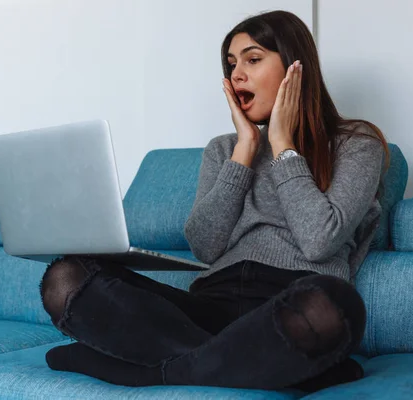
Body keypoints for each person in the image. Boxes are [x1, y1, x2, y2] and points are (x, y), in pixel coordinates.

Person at [39, 9, 390, 393]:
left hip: (287, 304)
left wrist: (283, 146)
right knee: (67, 279)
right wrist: (245, 151)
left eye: (253, 60)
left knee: (330, 308)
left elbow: (318, 241)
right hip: (208, 307)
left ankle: (154, 371)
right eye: (231, 64)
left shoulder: (357, 145)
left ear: (295, 69)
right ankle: (258, 367)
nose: (237, 74)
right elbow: (205, 245)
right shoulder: (224, 149)